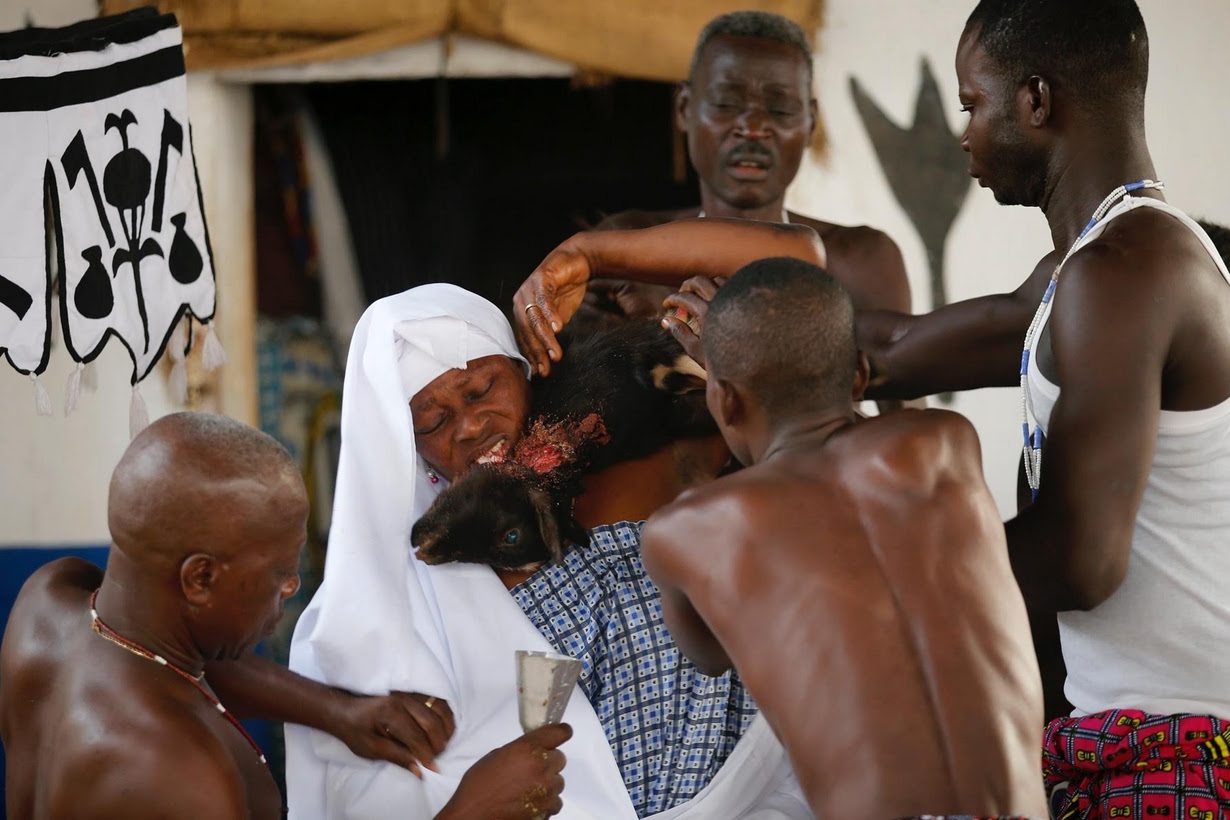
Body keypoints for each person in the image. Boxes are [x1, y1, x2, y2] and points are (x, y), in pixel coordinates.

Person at [516, 1, 1230, 815]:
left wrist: (848, 586)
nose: (964, 135)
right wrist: (631, 273)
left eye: (973, 105)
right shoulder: (1081, 271)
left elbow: (1082, 558)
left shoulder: (1126, 270)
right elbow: (883, 353)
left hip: (1183, 745)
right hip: (1125, 731)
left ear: (1035, 102)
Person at [207, 283, 813, 819]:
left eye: (480, 391)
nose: (469, 427)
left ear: (526, 371)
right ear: (404, 446)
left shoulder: (634, 471)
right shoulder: (370, 613)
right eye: (432, 422)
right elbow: (368, 793)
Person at [633, 257, 1048, 819]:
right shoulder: (944, 443)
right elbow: (840, 445)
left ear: (725, 400)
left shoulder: (687, 530)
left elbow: (707, 655)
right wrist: (778, 360)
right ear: (857, 376)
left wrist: (737, 368)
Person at [582, 10, 913, 416]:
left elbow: (905, 424)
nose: (753, 127)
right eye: (725, 103)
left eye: (779, 110)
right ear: (685, 108)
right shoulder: (626, 247)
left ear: (810, 123)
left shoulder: (859, 258)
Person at [0, 413, 303, 819]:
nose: (292, 586)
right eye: (281, 573)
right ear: (200, 577)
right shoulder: (178, 776)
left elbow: (190, 671)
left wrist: (340, 714)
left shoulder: (48, 599)